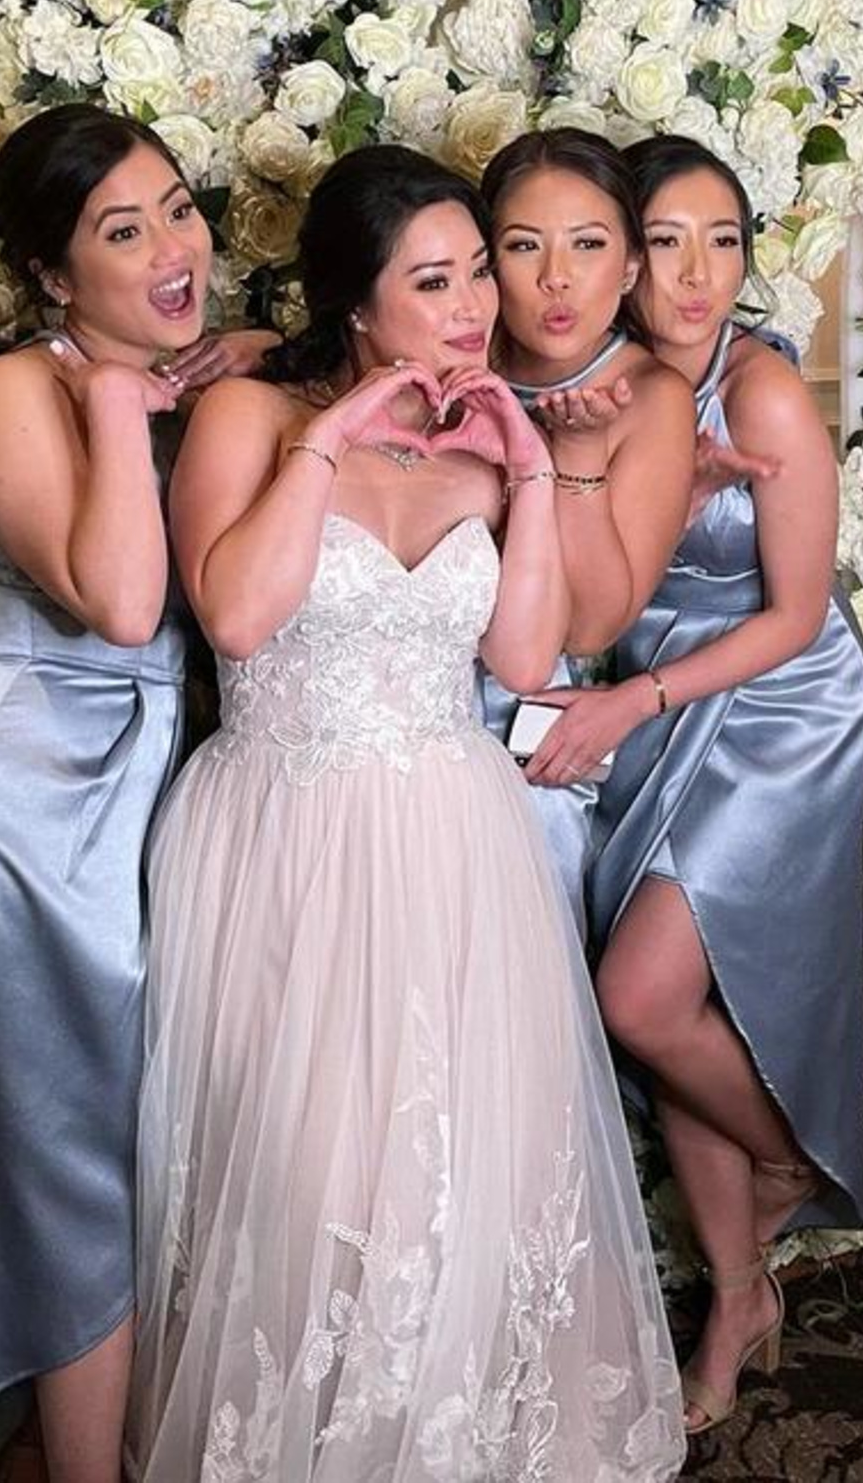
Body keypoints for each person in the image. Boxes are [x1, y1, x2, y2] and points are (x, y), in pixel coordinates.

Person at [128, 144, 686, 1481]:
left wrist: (533, 471)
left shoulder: (489, 445)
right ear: (357, 305)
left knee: (461, 1172)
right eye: (434, 281)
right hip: (290, 835)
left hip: (454, 836)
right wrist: (325, 436)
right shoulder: (250, 421)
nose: (476, 304)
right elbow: (241, 616)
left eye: (475, 272)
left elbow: (518, 657)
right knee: (310, 1176)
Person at [529, 133, 863, 1435]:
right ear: (621, 259)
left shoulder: (765, 393)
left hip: (776, 710)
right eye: (667, 242)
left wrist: (637, 695)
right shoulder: (583, 381)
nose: (698, 275)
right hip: (649, 702)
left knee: (642, 992)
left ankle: (790, 1155)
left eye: (724, 242)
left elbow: (795, 615)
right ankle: (739, 1302)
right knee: (682, 998)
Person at [0, 106, 211, 1483]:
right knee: (78, 1154)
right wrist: (116, 400)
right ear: (51, 277)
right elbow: (127, 607)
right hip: (24, 804)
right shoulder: (15, 391)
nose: (174, 248)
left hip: (135, 792)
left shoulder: (189, 376)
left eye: (181, 208)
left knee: (132, 1131)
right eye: (121, 232)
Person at [477, 129, 696, 927]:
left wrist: (577, 460)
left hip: (534, 724)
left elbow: (598, 621)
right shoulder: (452, 346)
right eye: (523, 246)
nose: (556, 277)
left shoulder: (650, 395)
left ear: (631, 265)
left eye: (589, 244)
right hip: (397, 702)